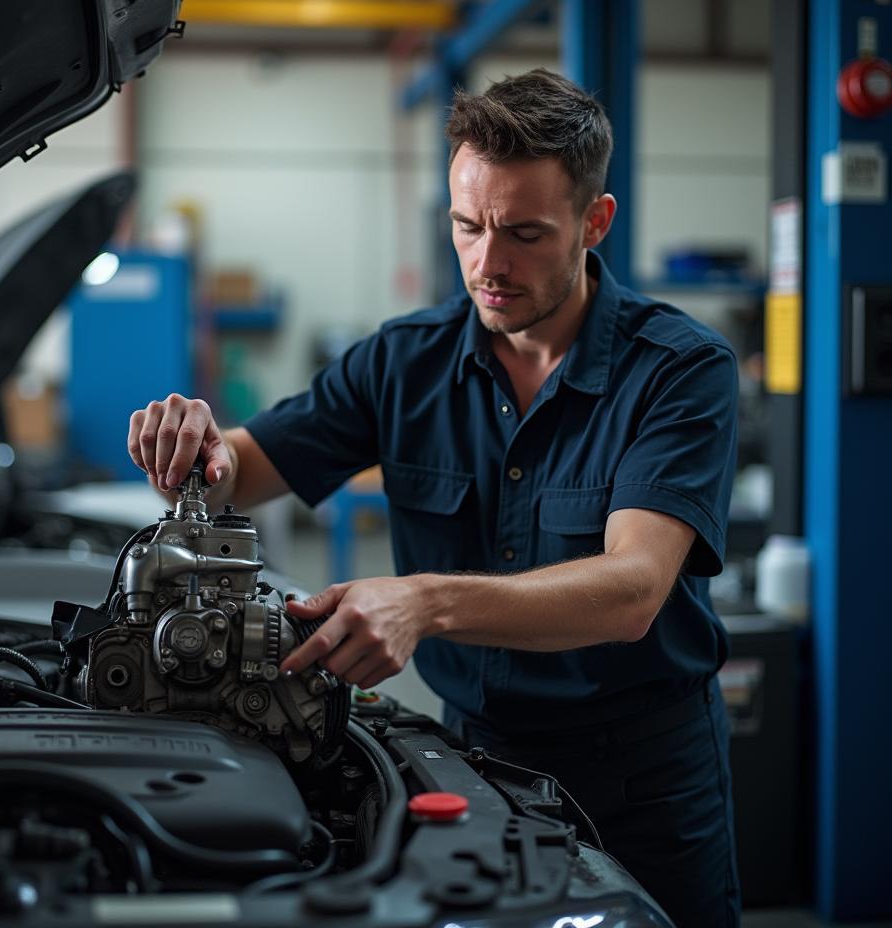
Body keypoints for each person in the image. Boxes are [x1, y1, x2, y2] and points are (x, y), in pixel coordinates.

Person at [127, 69, 741, 927]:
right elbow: (250, 463)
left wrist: (423, 602)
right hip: (472, 762)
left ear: (593, 223)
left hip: (644, 779)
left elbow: (634, 590)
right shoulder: (402, 362)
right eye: (467, 226)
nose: (488, 264)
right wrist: (197, 447)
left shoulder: (677, 372)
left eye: (525, 233)